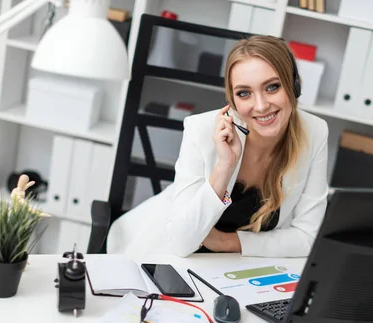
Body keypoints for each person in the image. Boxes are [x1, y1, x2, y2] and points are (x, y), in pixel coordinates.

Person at [106, 35, 329, 258]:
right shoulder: (200, 130)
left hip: (238, 265)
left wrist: (227, 242)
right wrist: (225, 166)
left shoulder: (314, 132)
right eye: (244, 93)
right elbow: (180, 243)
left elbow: (308, 238)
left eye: (272, 87)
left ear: (294, 85)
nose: (260, 106)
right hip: (167, 256)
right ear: (232, 101)